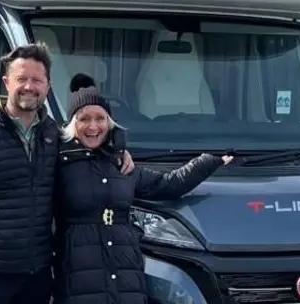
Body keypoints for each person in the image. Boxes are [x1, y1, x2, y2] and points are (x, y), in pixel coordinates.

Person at [0, 42, 135, 304]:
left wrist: (118, 152)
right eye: (21, 79)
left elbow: (89, 148)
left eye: (37, 80)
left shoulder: (53, 133)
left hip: (36, 276)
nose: (29, 87)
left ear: (47, 86)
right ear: (6, 83)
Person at [52, 76, 233, 304]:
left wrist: (208, 161)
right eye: (84, 119)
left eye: (100, 118)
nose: (93, 126)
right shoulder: (59, 162)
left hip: (126, 272)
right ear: (72, 124)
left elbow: (167, 185)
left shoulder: (122, 164)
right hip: (78, 275)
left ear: (109, 124)